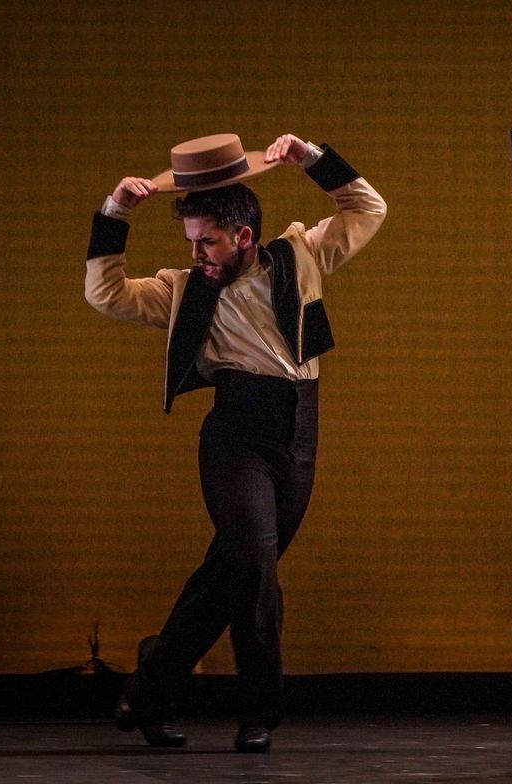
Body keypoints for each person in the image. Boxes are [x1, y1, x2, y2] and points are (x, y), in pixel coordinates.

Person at [86, 132, 386, 752]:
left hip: (298, 432)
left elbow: (368, 208)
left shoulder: (298, 256)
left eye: (207, 241)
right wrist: (115, 212)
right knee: (252, 566)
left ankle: (152, 682)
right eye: (190, 241)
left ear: (243, 236)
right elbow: (105, 294)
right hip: (234, 434)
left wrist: (310, 159)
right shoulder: (180, 289)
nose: (196, 252)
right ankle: (259, 713)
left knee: (236, 571)